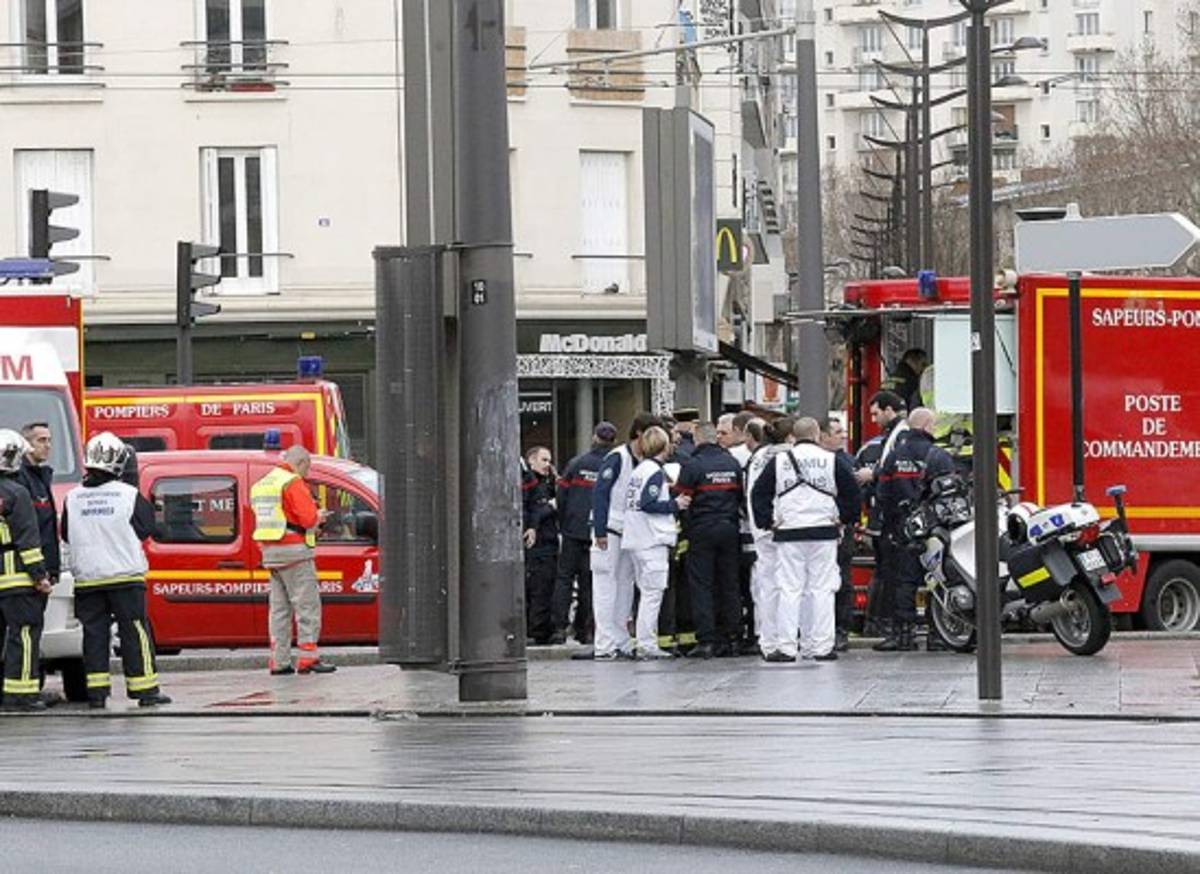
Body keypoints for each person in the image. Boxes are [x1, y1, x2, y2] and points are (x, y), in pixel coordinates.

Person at [61, 432, 171, 708]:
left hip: (87, 579)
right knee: (134, 631)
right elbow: (149, 529)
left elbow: (65, 534)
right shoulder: (129, 495)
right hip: (125, 577)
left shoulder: (72, 498)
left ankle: (97, 694)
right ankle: (145, 690)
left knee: (94, 635)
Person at [751, 418, 860, 663]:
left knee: (789, 589)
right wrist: (844, 519)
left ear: (794, 436)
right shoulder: (831, 460)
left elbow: (760, 492)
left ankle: (787, 647)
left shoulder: (779, 461)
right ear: (817, 436)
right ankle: (821, 646)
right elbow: (852, 492)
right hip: (824, 532)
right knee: (822, 589)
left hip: (789, 532)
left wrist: (767, 521)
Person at [874, 407, 956, 652]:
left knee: (904, 582)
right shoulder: (938, 456)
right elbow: (949, 495)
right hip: (933, 529)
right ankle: (937, 635)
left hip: (901, 527)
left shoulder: (894, 456)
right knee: (937, 580)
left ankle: (903, 636)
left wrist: (891, 524)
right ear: (928, 425)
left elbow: (883, 494)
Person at [251, 444, 336, 675]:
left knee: (279, 610)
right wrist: (318, 516)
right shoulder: (291, 481)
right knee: (307, 606)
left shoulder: (264, 483)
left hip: (271, 553)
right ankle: (308, 658)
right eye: (306, 469)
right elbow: (307, 519)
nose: (306, 475)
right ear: (300, 463)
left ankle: (279, 661)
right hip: (295, 552)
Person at [591, 412, 659, 661]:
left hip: (629, 530)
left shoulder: (646, 461)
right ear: (640, 434)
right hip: (609, 528)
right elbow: (601, 493)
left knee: (625, 585)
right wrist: (599, 529)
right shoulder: (617, 457)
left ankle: (620, 638)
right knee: (605, 585)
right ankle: (604, 643)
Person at [622, 426, 691, 660]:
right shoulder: (654, 472)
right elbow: (648, 503)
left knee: (646, 592)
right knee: (653, 594)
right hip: (651, 540)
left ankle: (644, 640)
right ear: (664, 446)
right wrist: (675, 504)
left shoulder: (640, 470)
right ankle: (647, 643)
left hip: (637, 538)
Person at [676, 422, 743, 659]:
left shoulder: (693, 465)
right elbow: (740, 496)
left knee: (701, 585)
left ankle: (706, 640)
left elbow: (682, 499)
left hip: (702, 529)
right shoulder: (732, 463)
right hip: (729, 528)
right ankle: (733, 637)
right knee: (729, 583)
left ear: (697, 439)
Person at [0, 430, 52, 712]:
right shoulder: (17, 493)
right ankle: (22, 694)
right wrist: (40, 576)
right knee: (24, 636)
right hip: (17, 579)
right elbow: (28, 540)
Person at [553, 423, 616, 645]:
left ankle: (559, 628)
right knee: (591, 583)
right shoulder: (613, 466)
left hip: (572, 530)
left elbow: (562, 494)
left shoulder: (577, 463)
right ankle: (586, 629)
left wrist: (564, 521)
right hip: (598, 533)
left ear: (594, 438)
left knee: (564, 579)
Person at [856, 390, 909, 642]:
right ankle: (880, 624)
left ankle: (883, 624)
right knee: (887, 572)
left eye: (877, 413)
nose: (874, 419)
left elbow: (891, 470)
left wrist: (874, 474)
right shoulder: (893, 436)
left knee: (890, 573)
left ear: (889, 410)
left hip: (892, 518)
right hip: (888, 518)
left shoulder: (900, 436)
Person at [743, 418, 788, 659]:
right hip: (778, 526)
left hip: (760, 527)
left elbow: (750, 493)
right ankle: (782, 637)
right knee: (786, 584)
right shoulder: (780, 458)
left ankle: (767, 637)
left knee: (765, 584)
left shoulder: (757, 457)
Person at [819, 416, 857, 653]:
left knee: (842, 580)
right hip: (822, 528)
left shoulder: (845, 461)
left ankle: (841, 629)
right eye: (836, 432)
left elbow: (853, 496)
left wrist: (845, 520)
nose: (842, 435)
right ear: (822, 437)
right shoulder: (825, 462)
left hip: (840, 530)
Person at [721, 411, 758, 651]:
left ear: (739, 431)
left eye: (724, 432)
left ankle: (736, 633)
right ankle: (757, 630)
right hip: (759, 531)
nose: (721, 438)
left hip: (737, 529)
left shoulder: (732, 457)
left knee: (736, 584)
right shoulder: (764, 455)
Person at [522, 445, 559, 645]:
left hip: (549, 542)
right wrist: (550, 507)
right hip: (540, 545)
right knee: (539, 588)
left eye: (549, 460)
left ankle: (542, 628)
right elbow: (532, 512)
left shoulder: (548, 483)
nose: (548, 464)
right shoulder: (530, 484)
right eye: (544, 460)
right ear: (532, 461)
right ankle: (537, 630)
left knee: (546, 587)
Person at [17, 423, 60, 587]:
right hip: (27, 574)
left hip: (41, 569)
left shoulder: (40, 477)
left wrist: (52, 569)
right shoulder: (20, 479)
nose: (48, 445)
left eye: (49, 440)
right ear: (27, 444)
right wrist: (38, 573)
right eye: (41, 440)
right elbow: (26, 529)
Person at [882, 348, 928, 414]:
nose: (924, 369)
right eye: (923, 364)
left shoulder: (888, 379)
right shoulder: (912, 382)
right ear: (912, 361)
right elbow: (916, 407)